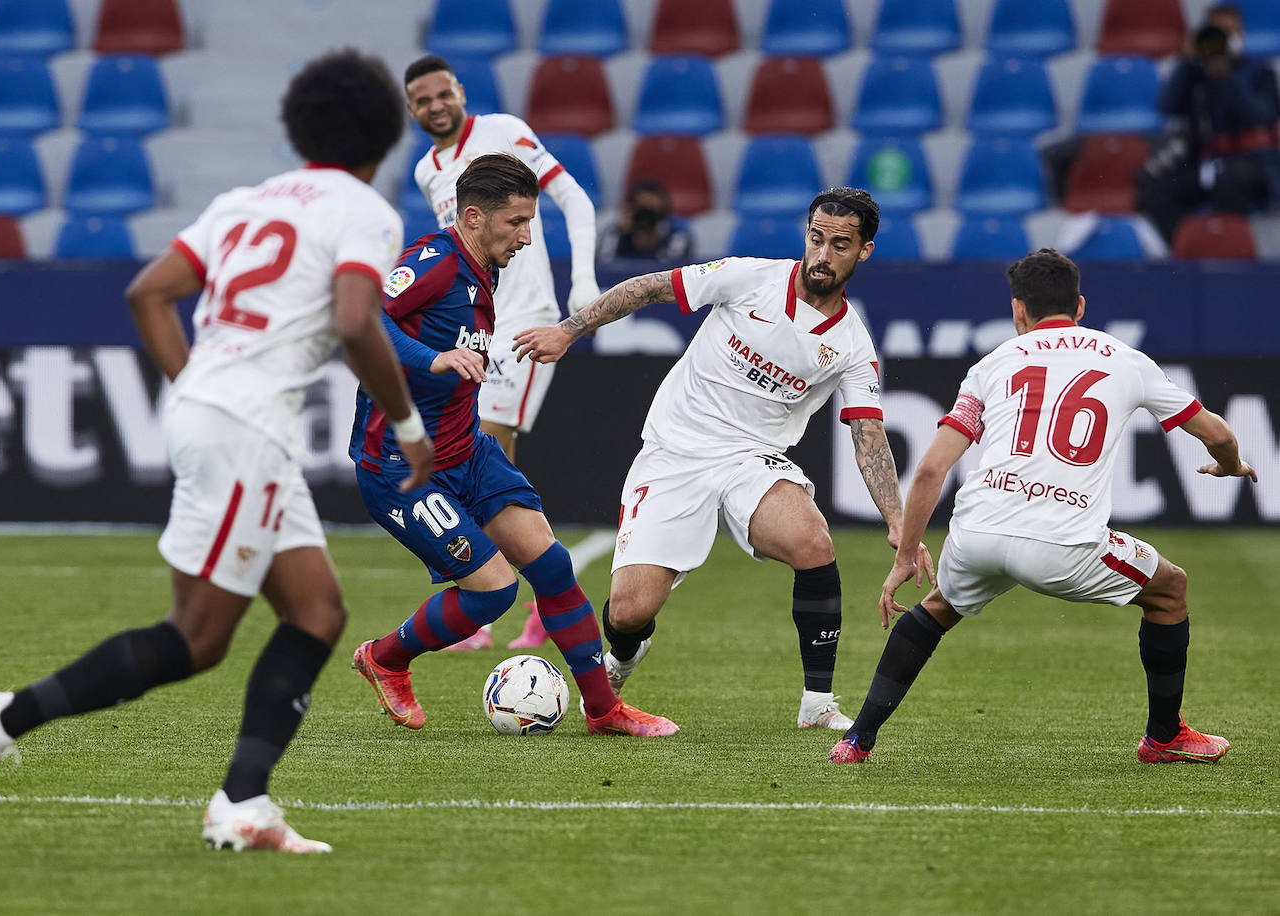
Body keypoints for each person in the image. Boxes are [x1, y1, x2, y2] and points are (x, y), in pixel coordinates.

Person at [0, 50, 432, 852]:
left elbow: (149, 291)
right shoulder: (364, 211)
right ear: (386, 134)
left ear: (298, 125)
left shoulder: (247, 199)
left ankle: (244, 803)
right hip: (246, 429)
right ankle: (1, 718)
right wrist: (408, 427)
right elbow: (354, 322)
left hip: (222, 417)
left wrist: (201, 383)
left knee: (317, 613)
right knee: (196, 640)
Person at [515, 187, 930, 730]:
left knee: (814, 542)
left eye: (841, 245)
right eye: (817, 239)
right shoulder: (748, 276)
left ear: (864, 251)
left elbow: (870, 435)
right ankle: (621, 658)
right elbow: (651, 287)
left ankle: (817, 704)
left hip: (752, 460)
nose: (823, 256)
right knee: (629, 611)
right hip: (675, 451)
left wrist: (898, 519)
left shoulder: (852, 345)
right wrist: (569, 330)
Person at [828, 249, 1257, 764]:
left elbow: (929, 470)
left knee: (937, 609)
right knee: (1170, 590)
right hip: (1063, 542)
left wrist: (904, 557)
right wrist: (1230, 465)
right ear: (1079, 306)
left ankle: (857, 740)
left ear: (1018, 311)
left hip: (979, 531)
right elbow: (1218, 433)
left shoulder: (992, 364)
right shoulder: (1124, 358)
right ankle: (1164, 736)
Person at [348, 153, 677, 739]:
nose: (527, 237)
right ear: (473, 217)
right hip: (401, 466)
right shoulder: (433, 262)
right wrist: (435, 357)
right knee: (495, 590)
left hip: (467, 452)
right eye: (517, 223)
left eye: (531, 222)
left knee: (551, 565)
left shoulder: (485, 268)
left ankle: (604, 711)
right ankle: (386, 658)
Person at [404, 54, 602, 650]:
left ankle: (513, 599)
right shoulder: (426, 171)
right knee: (477, 456)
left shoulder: (505, 132)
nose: (436, 106)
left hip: (529, 319)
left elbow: (575, 199)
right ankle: (527, 591)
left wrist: (584, 282)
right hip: (475, 327)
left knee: (484, 441)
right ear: (412, 110)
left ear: (460, 91)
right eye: (422, 100)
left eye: (444, 93)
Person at [1137, 17, 1280, 244]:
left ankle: (1226, 252)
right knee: (1159, 192)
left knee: (1229, 183)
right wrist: (1186, 61)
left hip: (1251, 162)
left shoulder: (1259, 71)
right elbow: (1167, 106)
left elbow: (1262, 116)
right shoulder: (1194, 73)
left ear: (1240, 35)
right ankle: (1185, 251)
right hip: (1206, 162)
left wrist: (1227, 78)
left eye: (1225, 33)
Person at [597, 177, 694, 263]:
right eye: (642, 211)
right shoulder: (615, 232)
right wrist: (622, 237)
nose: (646, 218)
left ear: (664, 212)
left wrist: (656, 242)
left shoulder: (678, 235)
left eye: (652, 212)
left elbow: (672, 271)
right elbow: (605, 267)